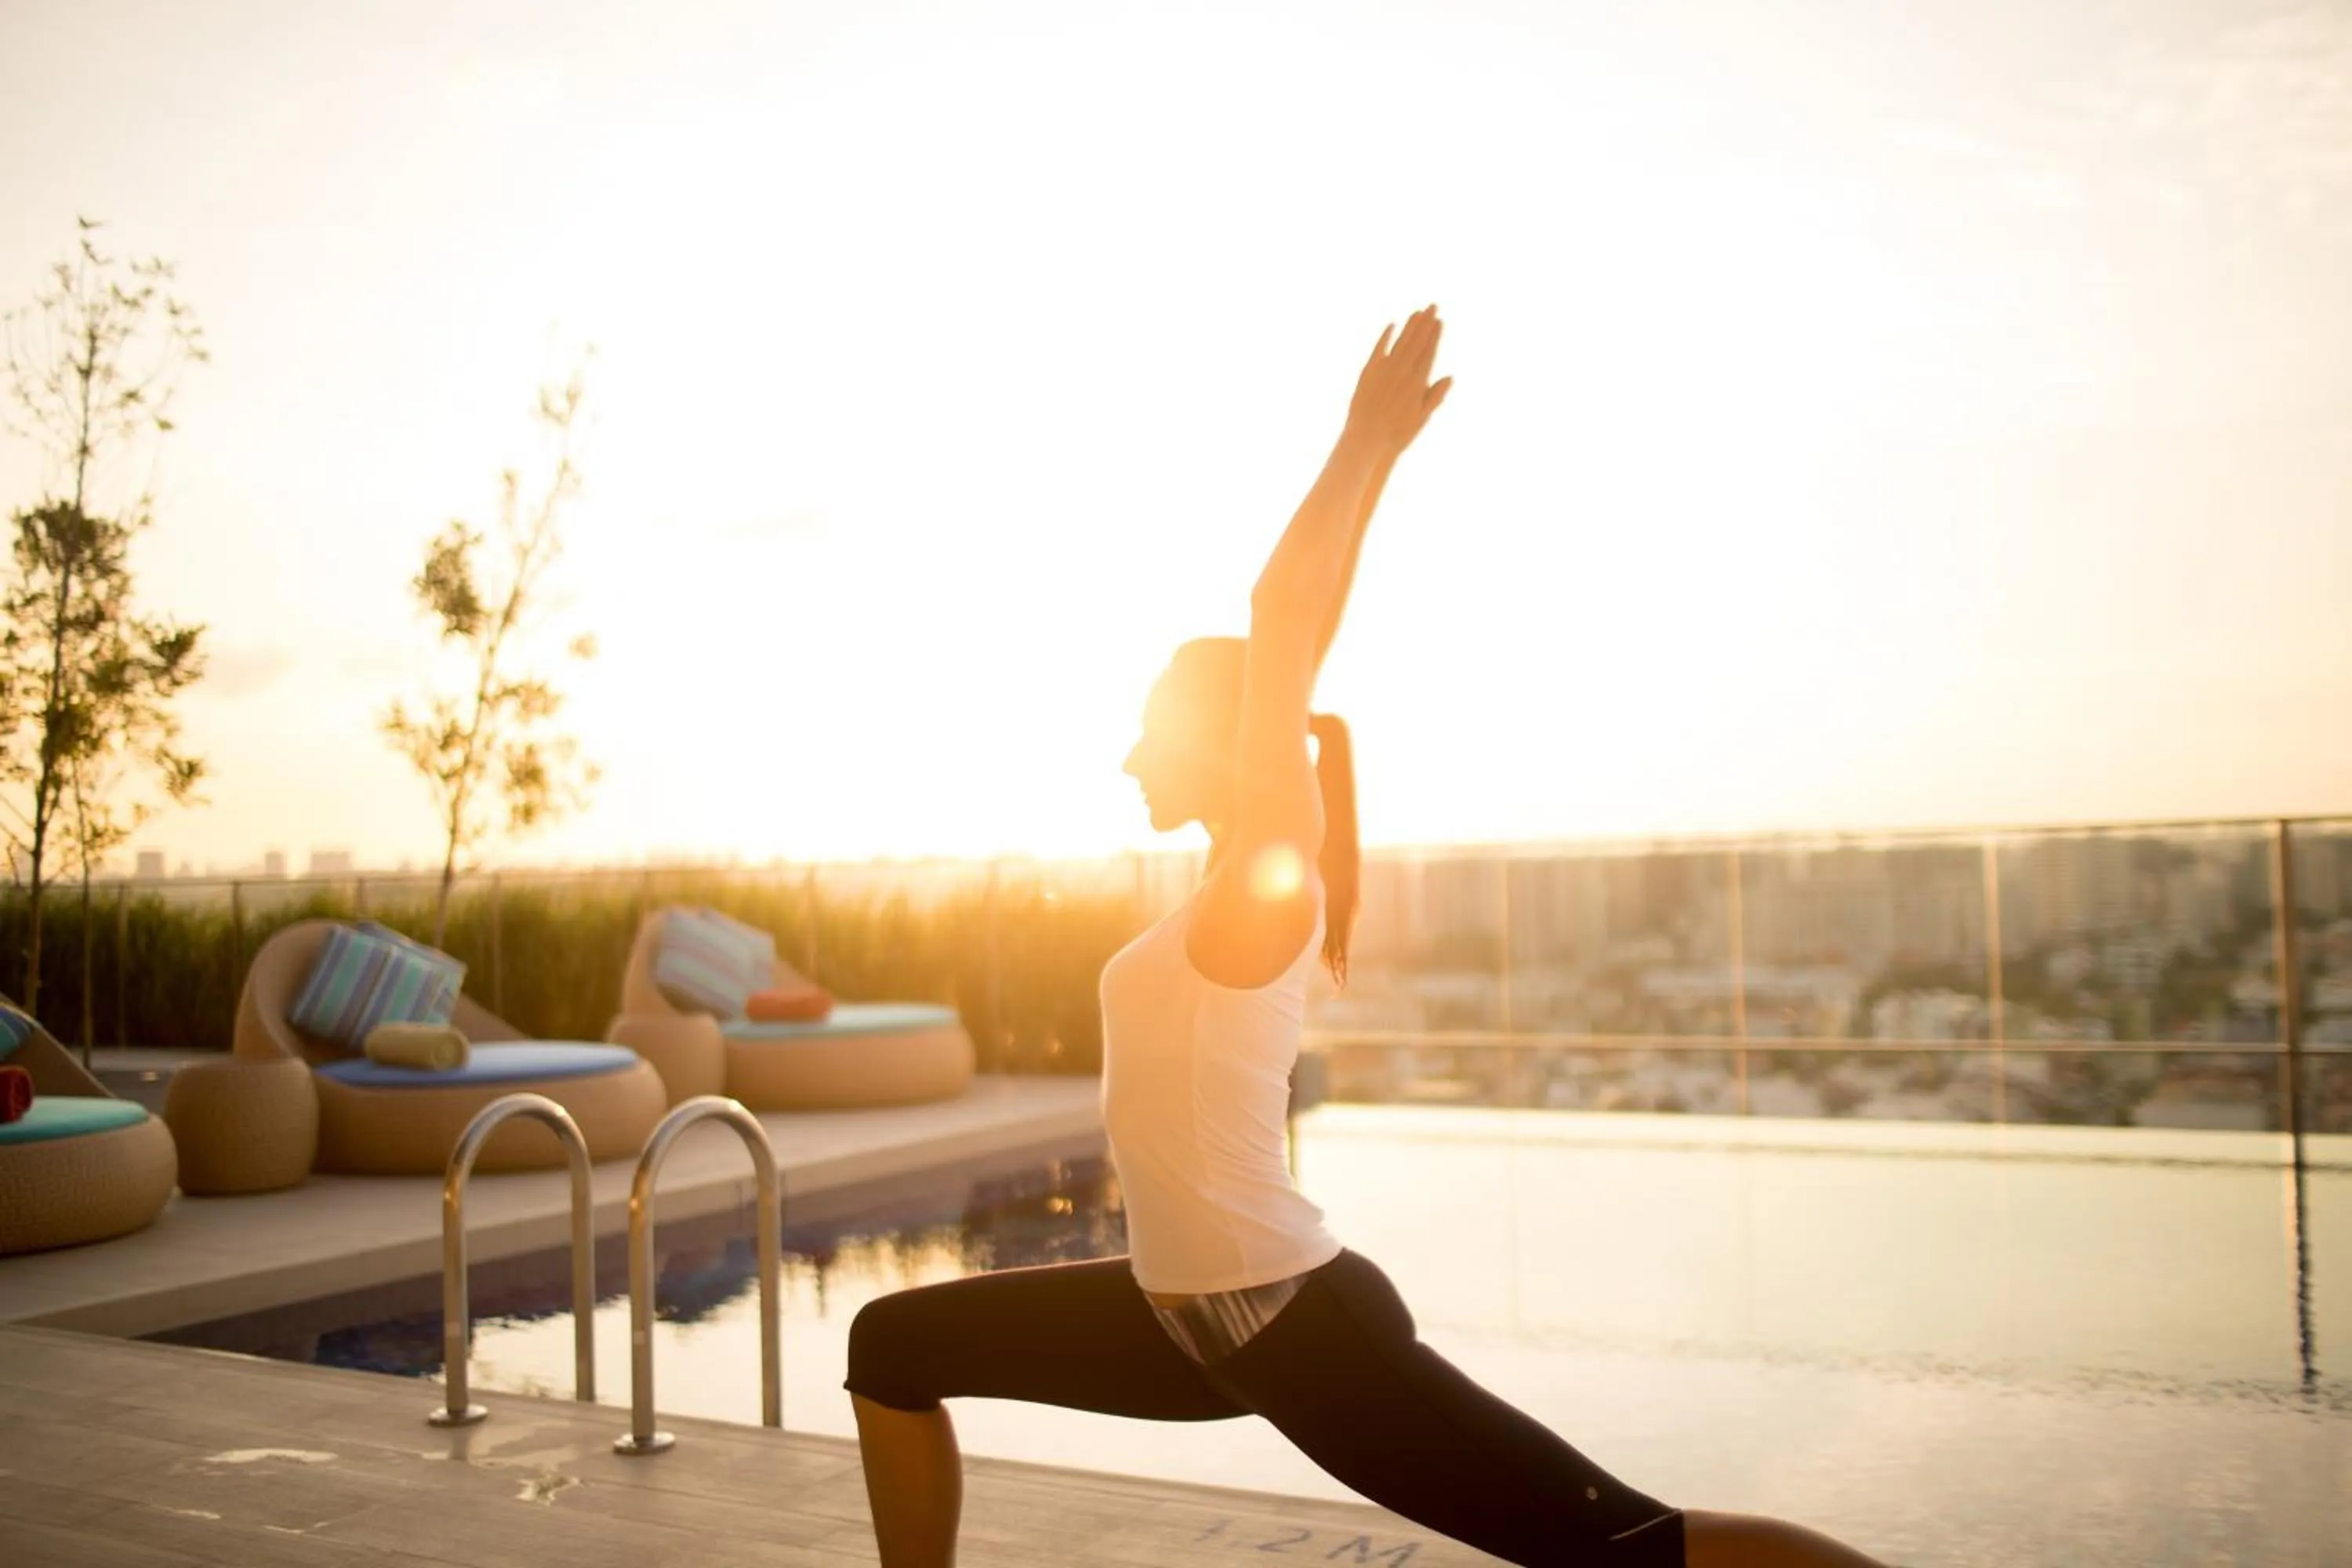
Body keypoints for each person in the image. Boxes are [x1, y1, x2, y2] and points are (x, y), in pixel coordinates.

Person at [844, 307, 1893, 1567]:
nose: (1126, 756)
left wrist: (1364, 450)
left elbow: (1281, 625)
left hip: (1288, 1320)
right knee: (892, 1347)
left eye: (1147, 730)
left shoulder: (1261, 889)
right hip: (1175, 1314)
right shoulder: (1219, 895)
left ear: (1222, 740)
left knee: (1632, 1550)